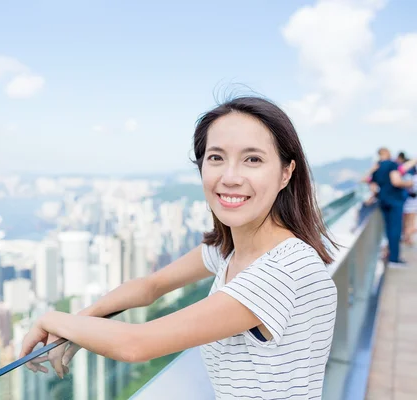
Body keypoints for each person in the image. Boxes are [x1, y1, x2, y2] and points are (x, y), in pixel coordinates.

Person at [19, 96, 339, 399]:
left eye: (252, 159)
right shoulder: (232, 249)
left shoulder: (282, 271)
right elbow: (151, 286)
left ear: (286, 173)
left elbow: (136, 345)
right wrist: (83, 319)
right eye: (216, 158)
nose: (230, 177)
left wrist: (53, 320)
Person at [369, 148, 416, 266]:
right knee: (395, 229)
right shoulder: (392, 164)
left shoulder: (377, 167)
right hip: (395, 200)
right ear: (388, 153)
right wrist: (408, 183)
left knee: (388, 229)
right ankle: (394, 258)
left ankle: (389, 254)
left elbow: (370, 182)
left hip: (382, 200)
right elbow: (396, 181)